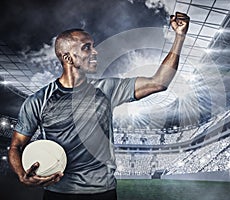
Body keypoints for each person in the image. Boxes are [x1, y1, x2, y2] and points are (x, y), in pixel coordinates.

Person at [8, 12, 189, 200]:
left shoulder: (107, 88)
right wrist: (22, 174)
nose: (95, 52)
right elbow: (16, 146)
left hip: (103, 193)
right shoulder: (38, 101)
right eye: (87, 48)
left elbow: (159, 82)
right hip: (58, 193)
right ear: (68, 58)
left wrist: (179, 37)